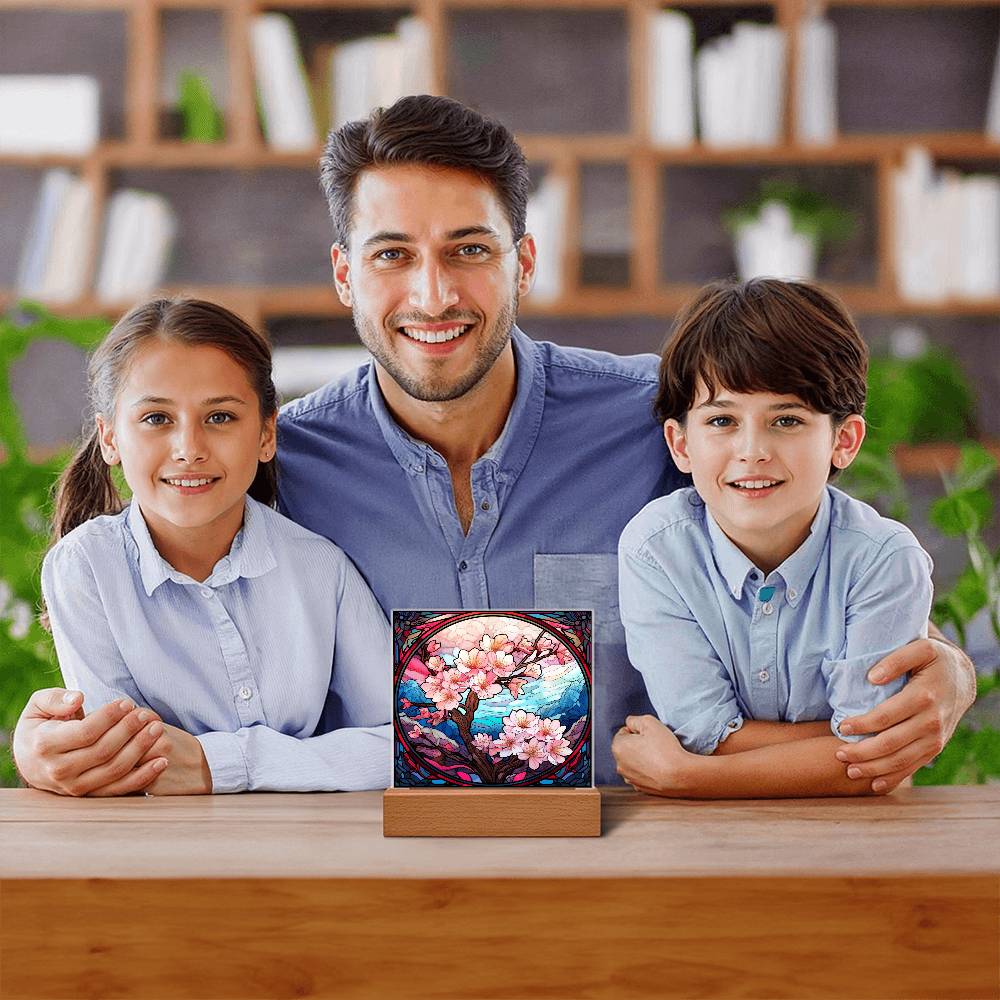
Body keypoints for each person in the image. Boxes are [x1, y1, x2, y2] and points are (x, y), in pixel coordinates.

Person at [13, 95, 976, 796]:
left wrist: (942, 664)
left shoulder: (666, 415)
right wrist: (52, 740)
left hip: (661, 855)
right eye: (394, 255)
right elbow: (155, 609)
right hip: (379, 874)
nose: (433, 296)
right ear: (346, 275)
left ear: (523, 260)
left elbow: (825, 558)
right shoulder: (274, 462)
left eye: (469, 250)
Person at [36, 298, 390, 795]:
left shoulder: (319, 567)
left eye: (220, 417)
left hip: (303, 846)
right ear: (110, 438)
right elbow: (120, 765)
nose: (189, 447)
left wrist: (216, 764)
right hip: (148, 851)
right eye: (157, 419)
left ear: (266, 434)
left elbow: (404, 745)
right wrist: (309, 763)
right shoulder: (85, 568)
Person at [613, 278, 936, 797]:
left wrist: (689, 776)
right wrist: (844, 747)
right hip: (698, 842)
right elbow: (700, 733)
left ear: (844, 440)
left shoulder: (884, 560)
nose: (752, 450)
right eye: (722, 419)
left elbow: (877, 758)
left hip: (856, 844)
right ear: (681, 445)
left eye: (786, 420)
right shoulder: (656, 548)